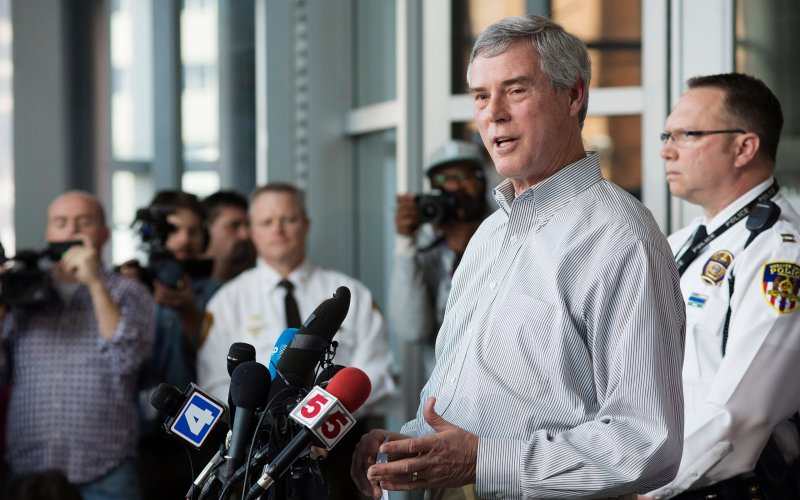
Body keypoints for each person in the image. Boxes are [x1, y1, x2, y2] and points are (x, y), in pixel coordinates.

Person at [351, 15, 686, 499]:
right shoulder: (490, 233)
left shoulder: (621, 236)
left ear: (573, 96)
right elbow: (458, 400)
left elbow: (647, 443)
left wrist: (484, 461)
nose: (493, 115)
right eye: (481, 97)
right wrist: (406, 448)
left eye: (515, 90)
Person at [643, 74, 800, 499]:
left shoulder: (779, 255)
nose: (666, 149)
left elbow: (742, 416)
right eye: (666, 134)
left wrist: (638, 490)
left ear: (744, 147)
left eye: (686, 134)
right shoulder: (682, 242)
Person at [197, 182, 396, 497]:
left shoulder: (349, 293)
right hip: (254, 456)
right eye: (266, 222)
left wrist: (319, 427)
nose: (278, 229)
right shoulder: (227, 301)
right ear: (250, 230)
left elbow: (377, 373)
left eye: (288, 219)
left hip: (337, 449)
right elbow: (215, 382)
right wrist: (264, 430)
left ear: (306, 224)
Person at [1, 191, 155, 500]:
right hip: (29, 468)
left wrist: (95, 283)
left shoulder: (129, 292)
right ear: (48, 234)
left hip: (106, 469)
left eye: (83, 222)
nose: (71, 231)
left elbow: (127, 358)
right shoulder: (21, 291)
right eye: (61, 223)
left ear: (104, 234)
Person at [134, 190, 222, 500]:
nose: (184, 239)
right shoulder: (133, 283)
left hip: (200, 427)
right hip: (140, 432)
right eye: (174, 229)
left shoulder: (219, 290)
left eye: (193, 231)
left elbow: (220, 355)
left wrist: (188, 312)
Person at [389, 139, 488, 378]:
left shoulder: (506, 232)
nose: (453, 186)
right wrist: (405, 242)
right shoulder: (425, 249)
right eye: (442, 180)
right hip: (442, 396)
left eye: (463, 176)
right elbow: (412, 329)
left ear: (481, 181)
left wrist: (467, 244)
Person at [202, 189, 256, 284]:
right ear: (206, 231)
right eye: (233, 226)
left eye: (248, 225)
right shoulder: (186, 289)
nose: (245, 235)